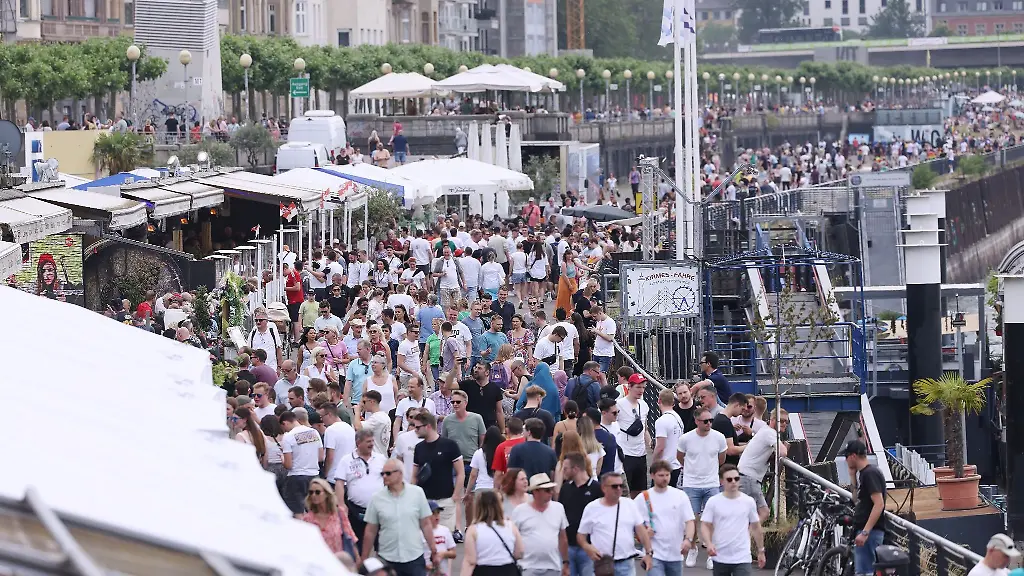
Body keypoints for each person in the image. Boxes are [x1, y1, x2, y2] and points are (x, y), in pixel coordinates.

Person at [362, 459, 439, 576]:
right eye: (382, 474)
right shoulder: (376, 498)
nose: (384, 476)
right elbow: (370, 530)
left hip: (414, 557)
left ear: (400, 474)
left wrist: (433, 550)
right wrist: (365, 557)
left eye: (388, 473)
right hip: (387, 558)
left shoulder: (417, 493)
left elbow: (426, 524)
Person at [677, 406, 727, 569]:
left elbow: (722, 458)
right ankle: (692, 548)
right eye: (705, 421)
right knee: (691, 519)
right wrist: (692, 469)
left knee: (712, 519)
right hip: (691, 484)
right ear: (697, 421)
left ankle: (712, 552)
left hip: (711, 483)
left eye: (711, 420)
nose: (709, 424)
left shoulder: (719, 437)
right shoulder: (686, 439)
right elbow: (680, 457)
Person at [577, 472, 654, 576]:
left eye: (621, 486)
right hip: (602, 564)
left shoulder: (630, 504)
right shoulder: (592, 508)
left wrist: (648, 553)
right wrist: (587, 547)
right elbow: (581, 535)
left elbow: (641, 530)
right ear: (604, 488)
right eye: (614, 486)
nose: (618, 489)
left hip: (626, 564)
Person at [700, 464, 766, 575]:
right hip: (720, 556)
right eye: (729, 479)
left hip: (742, 557)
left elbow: (756, 527)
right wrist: (709, 543)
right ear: (722, 481)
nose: (733, 482)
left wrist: (761, 551)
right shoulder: (714, 502)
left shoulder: (748, 502)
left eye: (736, 479)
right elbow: (705, 525)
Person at [634, 460, 696, 576]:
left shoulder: (680, 496)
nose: (665, 478)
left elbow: (689, 521)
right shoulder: (643, 498)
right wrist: (643, 533)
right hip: (654, 554)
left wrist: (688, 540)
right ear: (652, 476)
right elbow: (633, 524)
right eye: (661, 475)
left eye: (667, 475)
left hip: (675, 554)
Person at [412, 411, 466, 537]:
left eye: (418, 427)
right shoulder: (419, 448)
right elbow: (414, 475)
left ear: (428, 426)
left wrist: (455, 495)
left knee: (444, 539)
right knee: (425, 540)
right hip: (425, 501)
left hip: (445, 500)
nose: (415, 430)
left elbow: (460, 472)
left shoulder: (449, 445)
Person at [511, 473, 571, 576]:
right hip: (527, 566)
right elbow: (512, 538)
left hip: (553, 566)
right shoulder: (520, 511)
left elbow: (563, 537)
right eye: (547, 490)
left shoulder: (558, 508)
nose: (551, 493)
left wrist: (565, 562)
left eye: (551, 489)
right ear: (536, 491)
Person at [336, 428, 386, 549]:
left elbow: (388, 480)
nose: (372, 444)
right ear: (358, 443)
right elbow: (339, 483)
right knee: (358, 545)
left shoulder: (381, 459)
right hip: (356, 511)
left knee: (382, 545)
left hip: (379, 510)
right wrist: (341, 505)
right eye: (368, 441)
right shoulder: (346, 460)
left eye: (372, 441)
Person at [737, 408, 788, 522]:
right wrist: (783, 447)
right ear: (773, 420)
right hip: (749, 477)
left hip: (746, 475)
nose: (784, 424)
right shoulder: (770, 433)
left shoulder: (764, 430)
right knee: (763, 513)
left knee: (752, 513)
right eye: (782, 420)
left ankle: (745, 536)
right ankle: (744, 536)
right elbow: (783, 452)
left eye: (786, 422)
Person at [844, 439, 887, 576]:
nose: (846, 461)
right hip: (866, 531)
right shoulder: (863, 474)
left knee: (865, 572)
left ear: (853, 456)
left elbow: (879, 503)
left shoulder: (870, 474)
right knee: (863, 571)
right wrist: (852, 476)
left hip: (870, 533)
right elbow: (856, 499)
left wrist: (865, 532)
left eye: (846, 457)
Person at [461, 490, 524, 576]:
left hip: (484, 570)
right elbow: (519, 552)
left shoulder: (473, 530)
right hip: (508, 570)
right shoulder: (510, 526)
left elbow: (470, 561)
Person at [559, 452, 602, 576]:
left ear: (576, 469)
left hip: (589, 548)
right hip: (568, 548)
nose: (563, 471)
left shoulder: (596, 489)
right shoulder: (565, 488)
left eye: (566, 468)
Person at [300, 477, 360, 559]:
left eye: (317, 492)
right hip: (317, 561)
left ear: (326, 493)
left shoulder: (339, 513)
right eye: (311, 492)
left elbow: (349, 535)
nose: (313, 495)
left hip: (338, 562)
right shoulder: (307, 519)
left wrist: (357, 557)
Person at [280, 410, 325, 517]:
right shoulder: (314, 432)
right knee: (315, 510)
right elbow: (320, 457)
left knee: (298, 511)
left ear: (285, 423)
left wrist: (283, 459)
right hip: (314, 475)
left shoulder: (288, 437)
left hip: (296, 477)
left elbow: (288, 465)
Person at [616, 374, 651, 497]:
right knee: (626, 490)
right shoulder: (619, 404)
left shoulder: (644, 405)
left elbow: (645, 427)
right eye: (638, 387)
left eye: (643, 387)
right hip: (626, 453)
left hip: (641, 453)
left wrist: (649, 442)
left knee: (640, 490)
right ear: (629, 386)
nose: (641, 390)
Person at [652, 389, 684, 489]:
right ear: (673, 402)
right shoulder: (678, 418)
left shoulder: (661, 421)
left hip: (664, 466)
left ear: (659, 401)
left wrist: (653, 463)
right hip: (676, 465)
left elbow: (660, 447)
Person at [320, 402, 357, 486]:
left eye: (322, 416)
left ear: (329, 414)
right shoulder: (350, 428)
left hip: (333, 477)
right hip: (349, 477)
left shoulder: (330, 430)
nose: (321, 420)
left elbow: (330, 456)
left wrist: (325, 475)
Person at [354, 389, 392, 456]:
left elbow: (358, 427)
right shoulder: (385, 416)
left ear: (372, 402)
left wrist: (357, 412)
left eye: (364, 402)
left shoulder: (376, 418)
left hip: (375, 456)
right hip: (382, 454)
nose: (362, 404)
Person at [713, 393, 748, 466]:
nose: (742, 413)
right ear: (737, 405)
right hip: (727, 468)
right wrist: (749, 446)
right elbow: (730, 450)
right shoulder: (724, 422)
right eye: (742, 409)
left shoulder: (721, 419)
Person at [426, 501, 459, 576]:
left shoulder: (445, 530)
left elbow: (453, 553)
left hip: (442, 572)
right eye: (433, 513)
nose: (437, 516)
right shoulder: (421, 533)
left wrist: (443, 554)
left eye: (438, 513)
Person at [492, 417, 526, 488]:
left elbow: (498, 474)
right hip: (527, 484)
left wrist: (496, 490)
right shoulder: (528, 443)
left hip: (509, 487)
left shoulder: (501, 447)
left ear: (507, 429)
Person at [590, 307, 617, 373]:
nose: (594, 318)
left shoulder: (610, 322)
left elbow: (610, 338)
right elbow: (599, 335)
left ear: (600, 313)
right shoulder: (598, 322)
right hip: (596, 352)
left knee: (601, 374)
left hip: (605, 354)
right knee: (594, 373)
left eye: (595, 316)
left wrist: (597, 332)